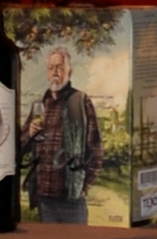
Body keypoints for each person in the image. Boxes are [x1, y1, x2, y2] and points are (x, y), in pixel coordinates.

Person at [22, 45, 103, 223]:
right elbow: (20, 147)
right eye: (51, 68)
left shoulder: (80, 101)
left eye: (59, 67)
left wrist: (84, 187)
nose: (55, 72)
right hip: (44, 197)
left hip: (71, 198)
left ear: (69, 71)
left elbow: (95, 150)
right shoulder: (40, 104)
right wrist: (29, 133)